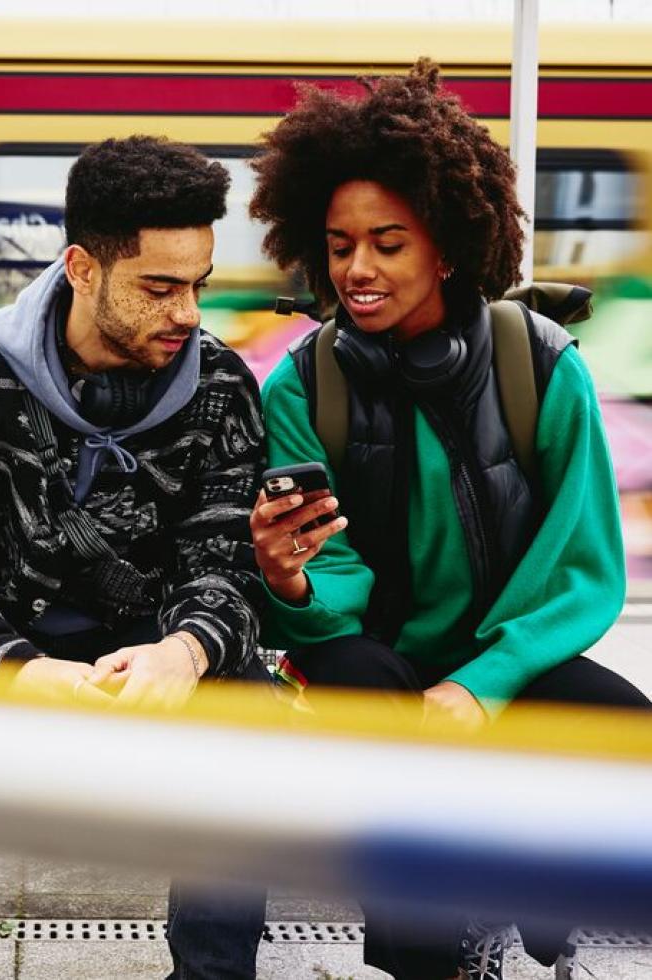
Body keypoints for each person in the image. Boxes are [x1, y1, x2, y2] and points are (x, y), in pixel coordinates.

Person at [247, 59, 651, 980]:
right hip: (373, 657)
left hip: (504, 649)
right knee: (364, 693)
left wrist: (483, 684)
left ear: (445, 246)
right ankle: (432, 955)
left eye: (387, 242)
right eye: (339, 244)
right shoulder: (304, 384)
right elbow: (328, 595)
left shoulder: (541, 368)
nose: (356, 268)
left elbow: (578, 566)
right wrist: (289, 579)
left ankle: (537, 904)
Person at [0, 135, 268, 979]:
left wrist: (184, 651)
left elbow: (225, 564)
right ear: (82, 268)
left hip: (146, 655)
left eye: (198, 285)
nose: (187, 313)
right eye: (158, 288)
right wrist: (15, 667)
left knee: (250, 712)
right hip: (3, 652)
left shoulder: (222, 390)